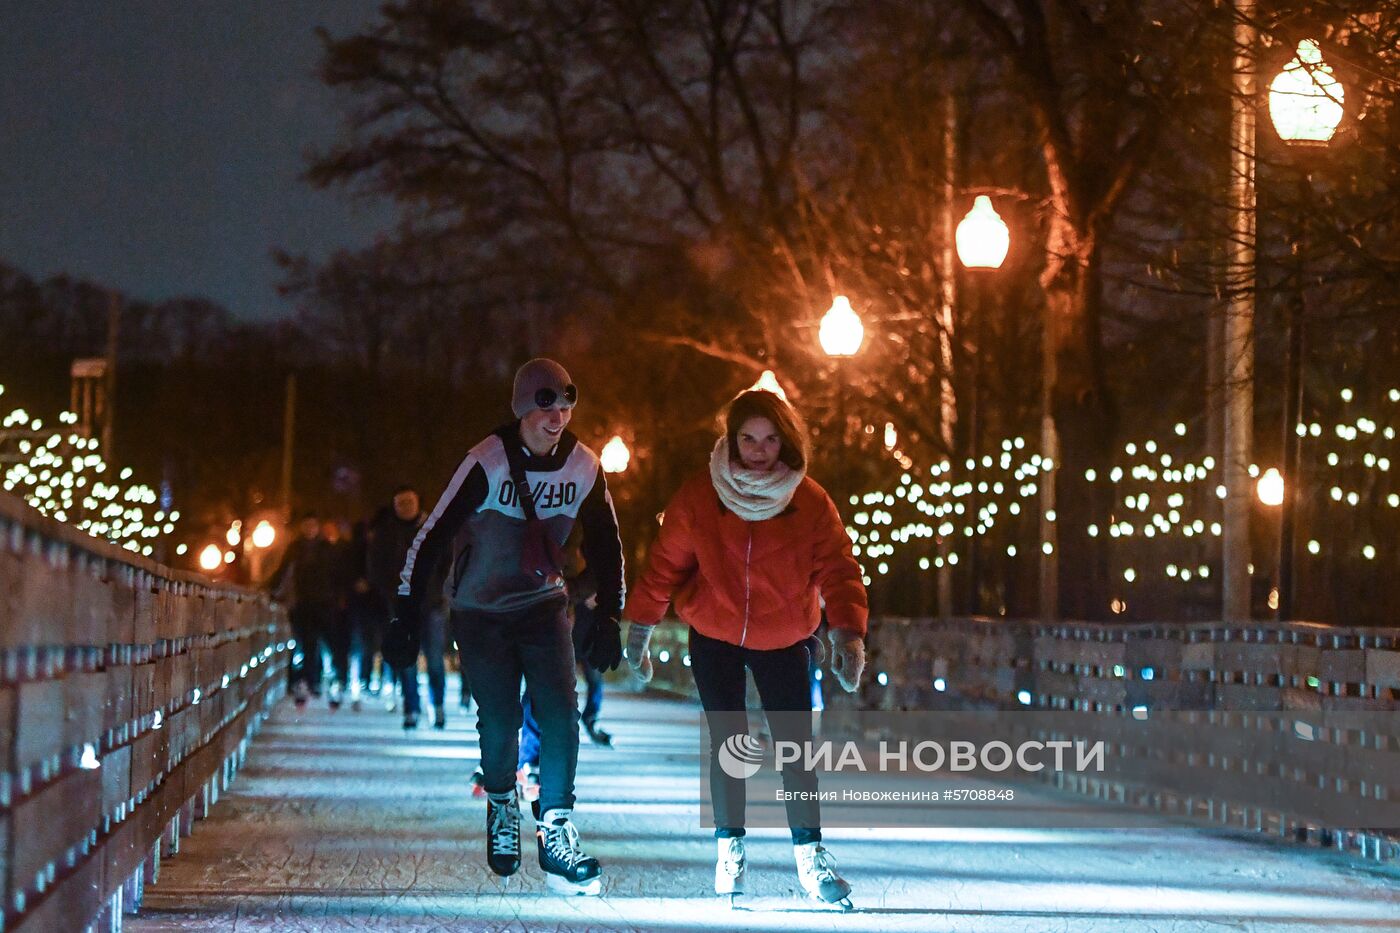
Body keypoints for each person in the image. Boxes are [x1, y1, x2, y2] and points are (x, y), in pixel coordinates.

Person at [386, 359, 625, 896]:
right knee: (499, 720)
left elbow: (608, 541)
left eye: (566, 405)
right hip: (481, 612)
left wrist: (610, 612)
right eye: (546, 405)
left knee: (561, 713)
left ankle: (558, 830)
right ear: (522, 408)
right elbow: (430, 535)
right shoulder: (485, 462)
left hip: (543, 606)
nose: (557, 416)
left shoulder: (584, 466)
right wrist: (404, 612)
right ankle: (500, 805)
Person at [622, 389, 868, 908]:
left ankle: (810, 856)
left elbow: (840, 570)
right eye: (748, 438)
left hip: (784, 636)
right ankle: (729, 849)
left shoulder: (810, 502)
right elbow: (664, 567)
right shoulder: (700, 497)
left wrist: (847, 632)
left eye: (771, 439)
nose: (759, 451)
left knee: (795, 748)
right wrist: (640, 627)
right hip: (715, 633)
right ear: (731, 440)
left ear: (787, 441)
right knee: (729, 743)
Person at [266, 512, 337, 707]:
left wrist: (337, 596)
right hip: (302, 602)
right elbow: (283, 570)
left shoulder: (326, 549)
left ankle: (315, 680)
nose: (309, 529)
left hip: (323, 602)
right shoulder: (295, 548)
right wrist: (271, 587)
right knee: (307, 643)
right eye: (306, 526)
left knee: (321, 643)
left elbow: (336, 574)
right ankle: (307, 682)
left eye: (313, 525)